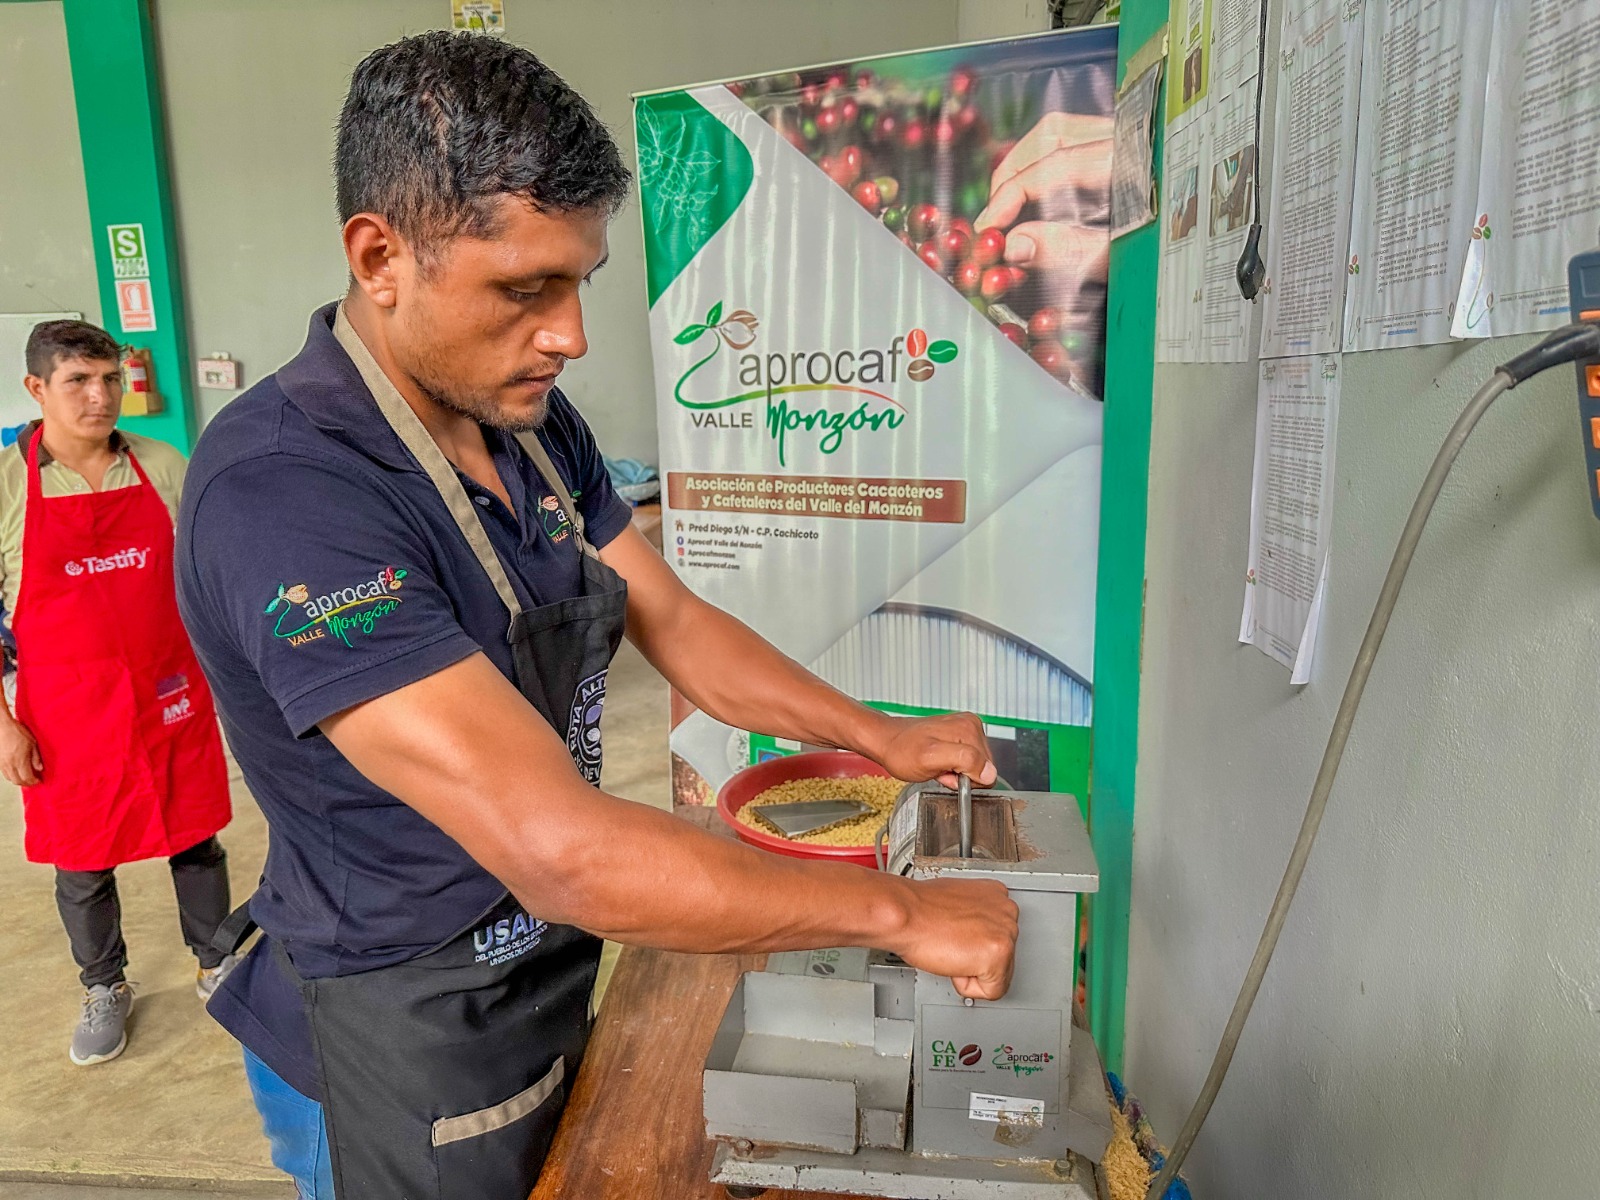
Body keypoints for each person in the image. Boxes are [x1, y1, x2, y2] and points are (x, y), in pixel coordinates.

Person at [175, 33, 1017, 1200]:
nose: (569, 333)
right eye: (525, 289)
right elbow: (561, 850)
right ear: (379, 255)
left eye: (579, 283)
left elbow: (674, 618)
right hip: (401, 1015)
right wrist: (900, 914)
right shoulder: (287, 494)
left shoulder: (532, 425)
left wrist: (876, 736)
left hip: (549, 961)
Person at [0, 320, 235, 1066]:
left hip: (170, 692)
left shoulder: (163, 465)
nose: (100, 397)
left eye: (110, 379)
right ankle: (104, 985)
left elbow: (208, 579)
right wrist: (5, 727)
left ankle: (218, 961)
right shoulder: (8, 485)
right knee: (82, 858)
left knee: (194, 836)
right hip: (66, 713)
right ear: (38, 390)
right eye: (78, 381)